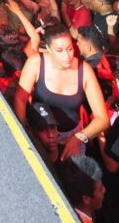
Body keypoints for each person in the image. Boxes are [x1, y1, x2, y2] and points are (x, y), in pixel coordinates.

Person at [14, 24, 109, 159]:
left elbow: (102, 119)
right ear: (49, 49)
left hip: (72, 137)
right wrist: (23, 132)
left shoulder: (85, 70)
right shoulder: (36, 63)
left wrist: (79, 137)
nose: (66, 56)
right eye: (59, 50)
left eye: (69, 49)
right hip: (41, 135)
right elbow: (21, 98)